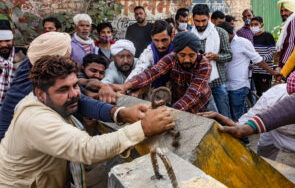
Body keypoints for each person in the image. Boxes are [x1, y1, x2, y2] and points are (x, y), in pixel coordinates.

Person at [0, 55, 174, 187]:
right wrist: (143, 128)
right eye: (64, 89)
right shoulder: (36, 120)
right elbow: (88, 149)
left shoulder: (47, 100)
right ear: (40, 94)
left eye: (75, 85)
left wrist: (123, 113)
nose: (75, 93)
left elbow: (83, 102)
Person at [0, 32, 116, 141]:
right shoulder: (35, 81)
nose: (69, 59)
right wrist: (118, 113)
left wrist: (91, 84)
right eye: (66, 55)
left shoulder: (32, 62)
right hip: (10, 138)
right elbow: (80, 102)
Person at [200, 71, 295, 169]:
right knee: (263, 160)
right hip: (274, 131)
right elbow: (253, 114)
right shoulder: (274, 94)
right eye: (291, 95)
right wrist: (239, 126)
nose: (293, 99)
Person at [118, 31, 212, 114]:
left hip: (200, 104)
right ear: (176, 53)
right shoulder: (172, 58)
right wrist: (126, 86)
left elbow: (192, 95)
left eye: (191, 55)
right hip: (178, 101)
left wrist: (168, 113)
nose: (187, 59)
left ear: (197, 53)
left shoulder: (204, 65)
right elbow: (152, 72)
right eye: (182, 55)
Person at [218, 22, 279, 120]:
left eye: (222, 36)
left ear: (228, 33)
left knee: (238, 116)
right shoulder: (221, 44)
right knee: (229, 117)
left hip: (238, 86)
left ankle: (243, 134)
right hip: (224, 86)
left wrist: (273, 72)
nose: (221, 38)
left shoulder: (243, 43)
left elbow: (258, 60)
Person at [191, 4, 232, 118]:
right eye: (197, 21)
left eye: (203, 21)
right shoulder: (189, 35)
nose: (200, 24)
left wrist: (215, 56)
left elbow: (229, 55)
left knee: (224, 115)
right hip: (199, 83)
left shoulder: (220, 32)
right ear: (192, 19)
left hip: (218, 82)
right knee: (206, 118)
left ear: (208, 17)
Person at [126, 20, 174, 94]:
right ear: (151, 38)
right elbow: (139, 69)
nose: (160, 45)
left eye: (164, 40)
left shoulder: (179, 49)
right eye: (156, 40)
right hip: (154, 92)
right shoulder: (148, 52)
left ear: (172, 37)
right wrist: (126, 86)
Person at [0, 20, 26, 106]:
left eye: (7, 40)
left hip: (18, 106)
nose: (4, 45)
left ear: (13, 40)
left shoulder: (24, 55)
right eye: (0, 41)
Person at [250, 16, 276, 96]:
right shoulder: (252, 37)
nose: (253, 26)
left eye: (256, 24)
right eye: (251, 24)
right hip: (255, 72)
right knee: (258, 94)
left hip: (265, 72)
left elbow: (273, 53)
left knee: (265, 94)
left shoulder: (268, 36)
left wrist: (259, 60)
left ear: (262, 25)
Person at [275, 0, 295, 78]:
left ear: (292, 10)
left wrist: (281, 66)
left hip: (292, 68)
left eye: (286, 10)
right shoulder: (291, 21)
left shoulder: (294, 21)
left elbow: (291, 45)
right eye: (281, 11)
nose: (283, 13)